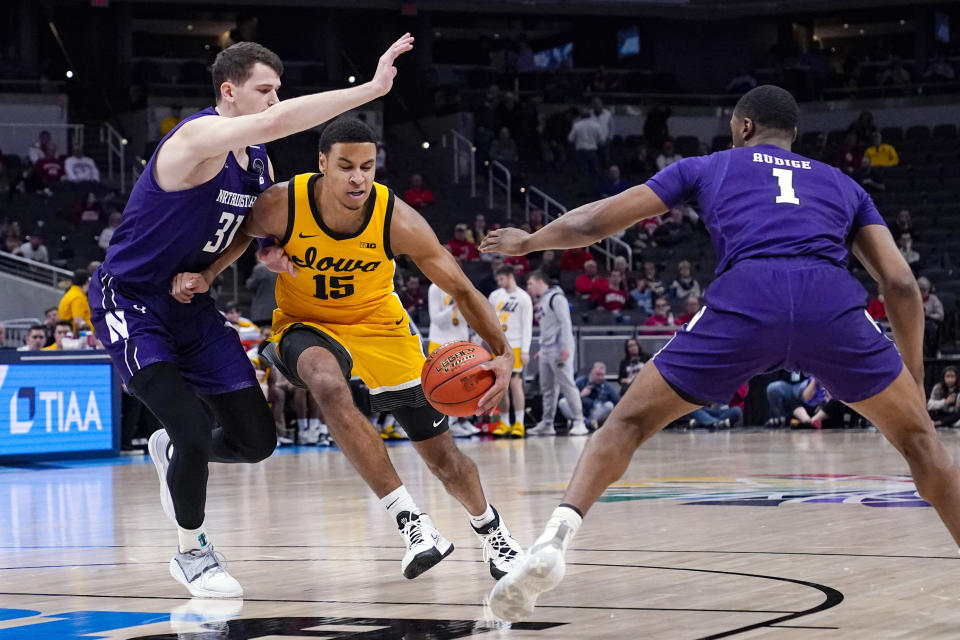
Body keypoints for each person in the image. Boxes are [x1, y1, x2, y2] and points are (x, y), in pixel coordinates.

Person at [481, 85, 959, 622]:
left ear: (744, 128)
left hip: (746, 299)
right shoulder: (842, 183)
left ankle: (553, 540)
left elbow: (597, 223)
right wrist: (913, 379)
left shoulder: (711, 165)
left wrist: (530, 242)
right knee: (922, 444)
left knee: (625, 426)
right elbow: (899, 284)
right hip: (830, 301)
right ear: (794, 137)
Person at [86, 35, 415, 599]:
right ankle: (193, 553)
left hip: (191, 305)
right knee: (191, 427)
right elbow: (277, 124)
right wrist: (373, 89)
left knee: (257, 440)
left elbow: (248, 231)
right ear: (229, 92)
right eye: (265, 91)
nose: (273, 100)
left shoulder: (255, 161)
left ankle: (169, 450)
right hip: (132, 301)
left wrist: (258, 255)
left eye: (278, 92)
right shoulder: (197, 138)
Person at [173, 117, 524, 582]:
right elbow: (241, 232)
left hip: (382, 328)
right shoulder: (283, 202)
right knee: (325, 382)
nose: (358, 177)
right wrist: (217, 271)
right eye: (345, 166)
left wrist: (501, 351)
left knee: (443, 458)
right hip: (306, 325)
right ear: (323, 164)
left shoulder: (396, 219)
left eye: (367, 166)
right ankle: (412, 523)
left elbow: (460, 288)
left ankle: (492, 531)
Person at [486, 264, 533, 437]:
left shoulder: (523, 297)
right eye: (497, 279)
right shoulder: (495, 296)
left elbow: (527, 325)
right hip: (497, 345)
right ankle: (504, 422)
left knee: (515, 383)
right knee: (499, 385)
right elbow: (488, 320)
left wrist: (525, 350)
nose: (499, 282)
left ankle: (519, 423)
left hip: (516, 345)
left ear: (510, 276)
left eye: (501, 279)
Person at [426, 282, 478, 438]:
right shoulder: (435, 288)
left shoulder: (460, 286)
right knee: (442, 388)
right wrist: (454, 305)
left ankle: (460, 421)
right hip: (439, 342)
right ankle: (445, 424)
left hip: (460, 341)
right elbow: (436, 319)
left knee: (464, 386)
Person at [561, 362, 620, 430]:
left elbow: (618, 401)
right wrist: (581, 395)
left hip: (594, 412)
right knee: (563, 402)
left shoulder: (606, 385)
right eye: (598, 374)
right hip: (579, 411)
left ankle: (584, 423)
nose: (600, 377)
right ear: (592, 373)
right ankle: (584, 422)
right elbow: (567, 395)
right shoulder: (580, 381)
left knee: (609, 405)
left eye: (602, 375)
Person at [57, 269, 92, 335]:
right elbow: (78, 321)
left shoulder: (71, 293)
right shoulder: (78, 297)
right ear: (87, 282)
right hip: (77, 337)